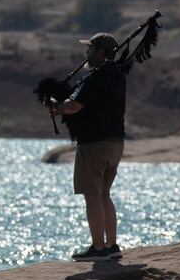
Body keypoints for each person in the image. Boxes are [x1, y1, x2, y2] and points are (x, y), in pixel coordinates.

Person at [49, 32, 127, 261]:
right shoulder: (118, 75)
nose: (87, 53)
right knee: (104, 195)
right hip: (116, 143)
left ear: (101, 52)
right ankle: (112, 246)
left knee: (92, 196)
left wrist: (57, 107)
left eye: (91, 49)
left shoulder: (97, 76)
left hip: (94, 144)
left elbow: (74, 106)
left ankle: (98, 248)